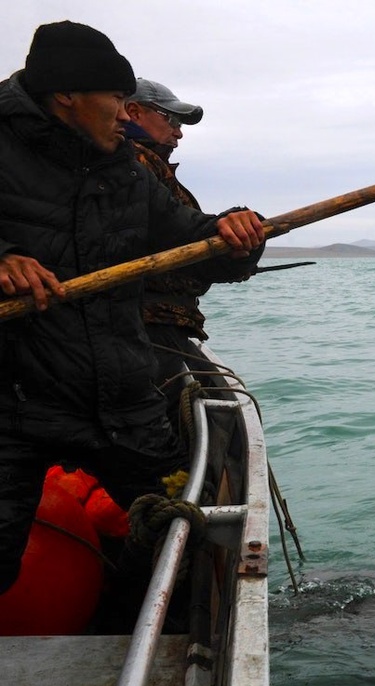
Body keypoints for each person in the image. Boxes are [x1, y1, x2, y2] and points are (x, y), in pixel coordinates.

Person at [0, 21, 266, 596]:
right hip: (11, 405)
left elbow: (191, 241)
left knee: (182, 535)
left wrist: (236, 232)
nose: (127, 115)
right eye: (118, 100)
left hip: (121, 400)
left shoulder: (125, 168)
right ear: (66, 95)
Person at [123, 77, 258, 406]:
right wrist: (232, 234)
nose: (179, 132)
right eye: (170, 119)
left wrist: (236, 250)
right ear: (134, 112)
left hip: (156, 325)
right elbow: (179, 233)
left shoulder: (148, 165)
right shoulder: (132, 162)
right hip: (146, 327)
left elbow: (180, 237)